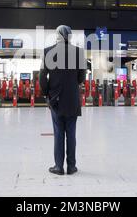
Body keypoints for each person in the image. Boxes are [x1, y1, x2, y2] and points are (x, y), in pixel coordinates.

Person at [39, 25, 86, 175]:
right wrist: (72, 84)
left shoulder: (47, 52)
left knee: (59, 133)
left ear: (57, 35)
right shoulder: (79, 53)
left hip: (56, 99)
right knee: (71, 134)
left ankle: (58, 167)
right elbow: (82, 77)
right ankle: (71, 167)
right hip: (72, 99)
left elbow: (42, 77)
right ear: (70, 36)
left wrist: (47, 94)